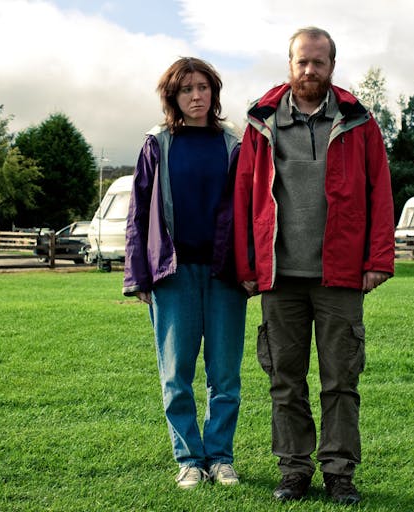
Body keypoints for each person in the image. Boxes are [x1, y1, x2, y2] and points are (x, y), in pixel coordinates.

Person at [233, 27, 395, 505]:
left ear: (332, 66)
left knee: (341, 380)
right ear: (289, 64)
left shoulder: (359, 122)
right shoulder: (261, 122)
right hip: (279, 277)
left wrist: (378, 259)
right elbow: (244, 196)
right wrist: (247, 265)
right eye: (301, 61)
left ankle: (339, 473)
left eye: (318, 62)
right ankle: (294, 471)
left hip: (339, 276)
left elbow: (380, 192)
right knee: (285, 381)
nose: (309, 70)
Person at [123, 57, 247, 490]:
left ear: (214, 92)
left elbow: (250, 210)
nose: (197, 96)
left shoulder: (234, 143)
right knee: (176, 375)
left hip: (225, 273)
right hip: (172, 274)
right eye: (187, 89)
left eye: (203, 88)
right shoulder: (156, 144)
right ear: (172, 97)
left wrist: (252, 268)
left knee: (225, 375)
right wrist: (137, 276)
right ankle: (189, 460)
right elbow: (138, 213)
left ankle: (221, 458)